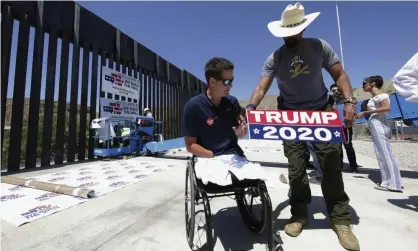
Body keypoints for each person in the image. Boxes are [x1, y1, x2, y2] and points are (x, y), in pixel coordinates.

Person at [245, 3, 359, 250]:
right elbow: (261, 87)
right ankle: (298, 214)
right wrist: (251, 110)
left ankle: (340, 220)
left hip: (321, 112)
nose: (288, 35)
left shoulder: (320, 47)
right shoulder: (274, 58)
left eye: (293, 30)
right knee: (296, 169)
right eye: (285, 31)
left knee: (330, 165)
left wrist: (349, 101)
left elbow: (340, 75)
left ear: (302, 29)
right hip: (291, 116)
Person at [182, 57, 247, 158]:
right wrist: (212, 156)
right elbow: (190, 145)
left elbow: (240, 134)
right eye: (227, 82)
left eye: (232, 80)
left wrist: (241, 133)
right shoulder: (193, 106)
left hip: (234, 155)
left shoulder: (233, 102)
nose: (231, 85)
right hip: (208, 158)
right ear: (212, 82)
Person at [357, 75, 403, 193]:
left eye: (365, 83)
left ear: (372, 83)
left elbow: (386, 108)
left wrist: (367, 112)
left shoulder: (380, 95)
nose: (363, 86)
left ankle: (392, 183)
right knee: (382, 153)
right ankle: (392, 181)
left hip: (378, 123)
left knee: (385, 153)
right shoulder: (375, 97)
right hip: (376, 123)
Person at [330, 83, 360, 173]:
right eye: (334, 90)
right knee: (337, 147)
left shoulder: (347, 102)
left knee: (348, 146)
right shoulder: (330, 102)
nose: (336, 92)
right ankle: (340, 166)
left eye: (337, 90)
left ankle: (353, 166)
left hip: (345, 126)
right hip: (335, 128)